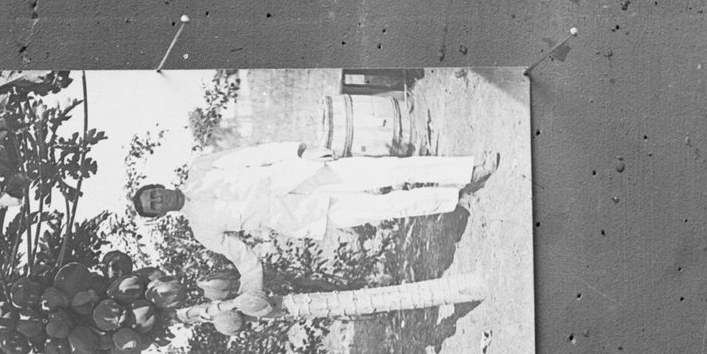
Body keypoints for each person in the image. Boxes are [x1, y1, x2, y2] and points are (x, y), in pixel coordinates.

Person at [130, 140, 500, 264]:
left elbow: (254, 153)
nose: (159, 198)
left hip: (303, 174)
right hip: (302, 215)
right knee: (386, 208)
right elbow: (241, 256)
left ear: (158, 185)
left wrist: (300, 150)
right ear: (159, 215)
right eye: (154, 205)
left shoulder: (201, 167)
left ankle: (468, 169)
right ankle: (455, 196)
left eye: (154, 192)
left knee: (387, 170)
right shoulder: (202, 230)